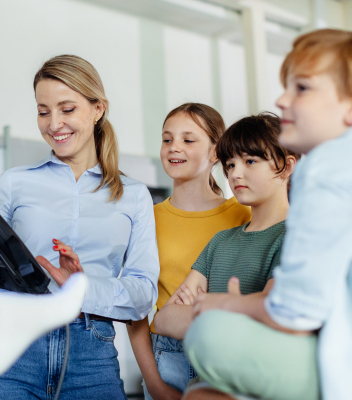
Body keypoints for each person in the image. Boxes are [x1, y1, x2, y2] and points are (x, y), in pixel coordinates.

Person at [184, 29, 352, 400]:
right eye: (286, 87)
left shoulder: (332, 166)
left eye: (302, 88)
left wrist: (224, 303)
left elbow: (295, 315)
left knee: (207, 335)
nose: (282, 99)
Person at [0, 55, 159, 399]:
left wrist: (81, 288)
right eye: (43, 111)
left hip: (90, 356)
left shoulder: (134, 195)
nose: (53, 124)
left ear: (98, 109)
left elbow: (142, 294)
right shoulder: (14, 183)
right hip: (7, 347)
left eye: (67, 109)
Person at [126, 104, 251, 400]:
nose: (174, 148)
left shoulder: (243, 214)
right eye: (167, 139)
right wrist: (153, 383)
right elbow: (136, 308)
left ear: (214, 152)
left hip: (226, 356)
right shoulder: (146, 218)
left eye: (188, 139)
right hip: (164, 358)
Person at [154, 113, 299, 343]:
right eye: (230, 165)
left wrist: (206, 306)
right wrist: (239, 311)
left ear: (286, 166)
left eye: (250, 161)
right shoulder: (220, 241)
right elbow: (164, 319)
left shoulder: (296, 239)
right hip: (205, 377)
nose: (235, 174)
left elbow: (272, 318)